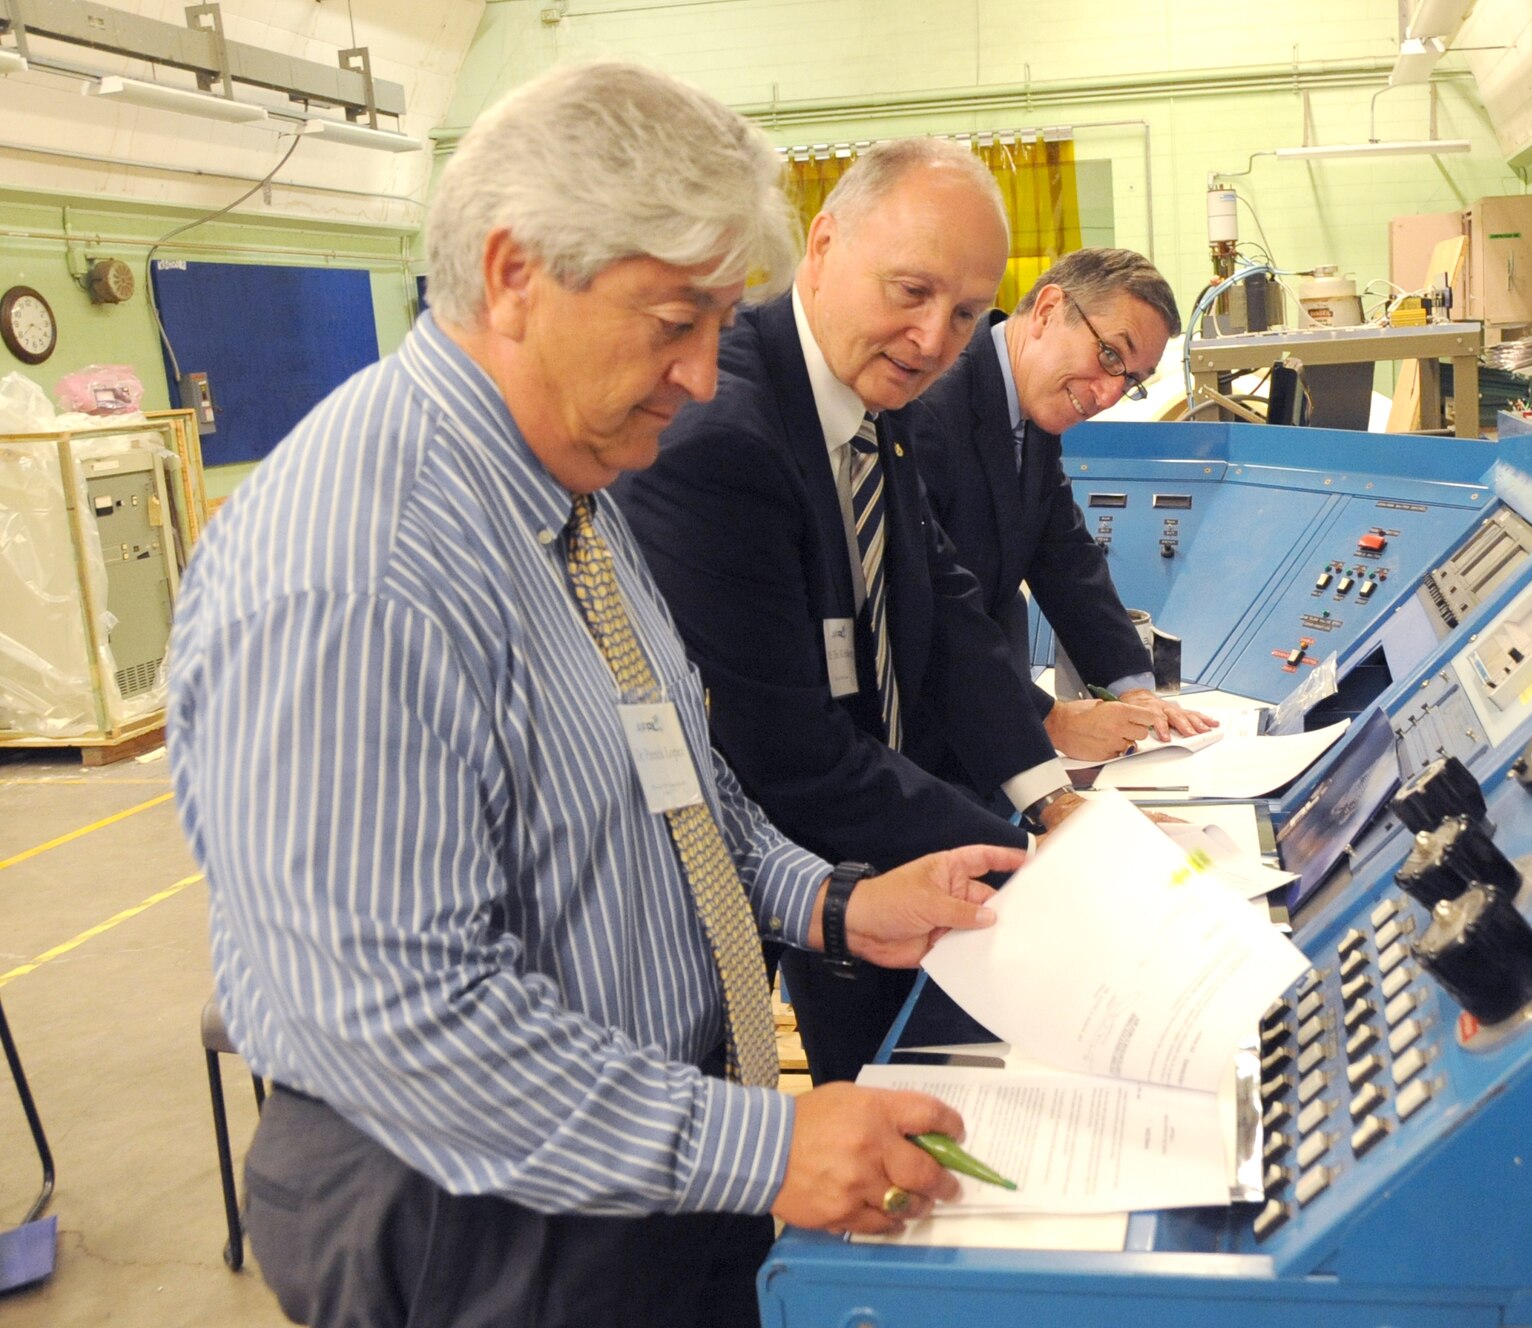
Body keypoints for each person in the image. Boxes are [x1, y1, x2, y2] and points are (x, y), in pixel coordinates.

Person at [166, 63, 1023, 1328]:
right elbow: (403, 1020)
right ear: (514, 274)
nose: (697, 372)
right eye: (672, 321)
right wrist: (768, 1149)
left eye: (718, 324)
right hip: (475, 1218)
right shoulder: (361, 570)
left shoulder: (567, 482)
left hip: (637, 1154)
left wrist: (835, 901)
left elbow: (680, 783)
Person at [614, 140, 1126, 1086]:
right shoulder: (725, 439)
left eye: (967, 312)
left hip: (860, 839)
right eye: (911, 291)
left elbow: (949, 605)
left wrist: (1049, 799)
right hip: (751, 879)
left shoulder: (866, 388)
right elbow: (786, 753)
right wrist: (1027, 858)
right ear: (822, 244)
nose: (935, 339)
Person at [906, 247, 1216, 759]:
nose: (1111, 394)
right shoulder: (931, 407)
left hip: (985, 720)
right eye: (1112, 355)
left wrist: (1134, 688)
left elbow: (1064, 555)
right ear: (1049, 311)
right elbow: (926, 613)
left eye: (1132, 380)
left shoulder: (1030, 406)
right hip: (928, 738)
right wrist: (1046, 720)